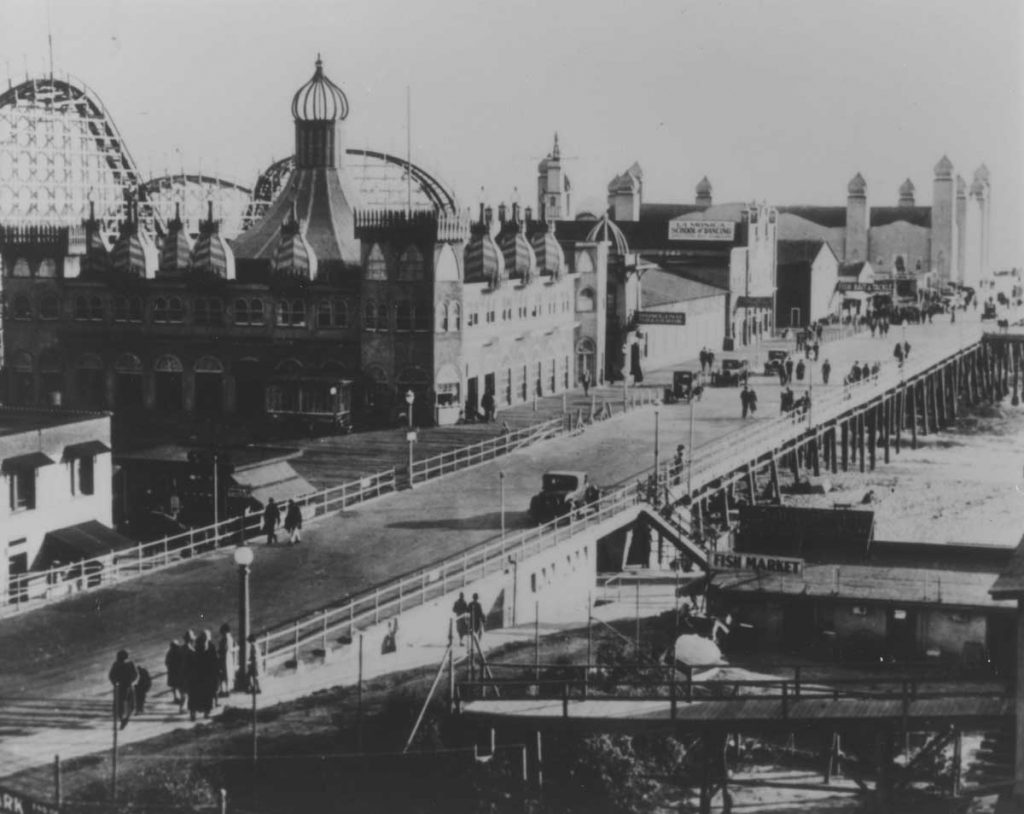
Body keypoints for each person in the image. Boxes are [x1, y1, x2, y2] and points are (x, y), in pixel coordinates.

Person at [109, 649, 139, 730]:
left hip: (125, 686)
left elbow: (135, 675)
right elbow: (112, 676)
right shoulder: (121, 664)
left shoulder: (124, 664)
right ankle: (123, 719)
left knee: (127, 705)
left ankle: (124, 719)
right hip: (123, 686)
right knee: (122, 705)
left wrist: (115, 683)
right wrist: (115, 683)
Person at [165, 638, 186, 709]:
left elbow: (167, 662)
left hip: (173, 672)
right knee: (178, 686)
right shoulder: (178, 651)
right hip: (176, 672)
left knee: (174, 686)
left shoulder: (170, 652)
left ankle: (176, 698)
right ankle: (177, 698)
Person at [218, 623, 236, 697]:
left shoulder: (225, 639)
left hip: (224, 658)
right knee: (228, 675)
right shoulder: (231, 638)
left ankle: (224, 691)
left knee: (223, 675)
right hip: (229, 658)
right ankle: (227, 690)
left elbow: (223, 649)